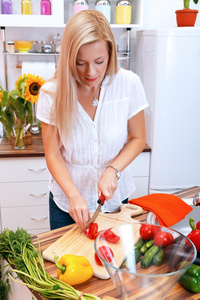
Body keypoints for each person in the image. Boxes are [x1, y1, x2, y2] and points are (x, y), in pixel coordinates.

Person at [36, 10, 148, 231]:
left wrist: (113, 170)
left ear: (110, 53)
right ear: (69, 58)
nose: (91, 72)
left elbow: (138, 138)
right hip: (67, 206)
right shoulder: (52, 93)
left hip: (116, 201)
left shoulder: (128, 84)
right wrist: (73, 195)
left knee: (113, 263)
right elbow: (53, 154)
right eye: (80, 63)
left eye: (99, 61)